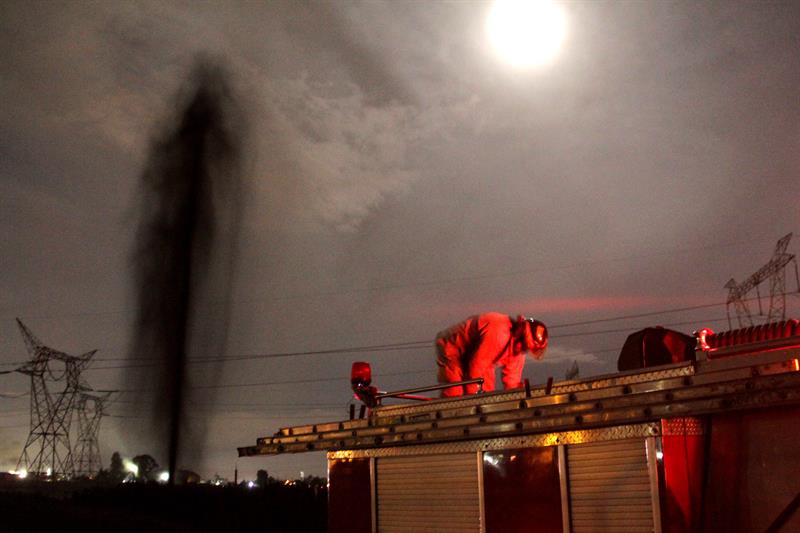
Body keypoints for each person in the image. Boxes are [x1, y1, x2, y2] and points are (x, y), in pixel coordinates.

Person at [435, 312, 548, 397]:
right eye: (525, 345)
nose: (523, 350)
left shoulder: (518, 351)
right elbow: (475, 371)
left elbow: (511, 382)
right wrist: (475, 403)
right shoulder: (498, 333)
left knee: (487, 392)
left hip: (480, 356)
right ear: (519, 334)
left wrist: (519, 398)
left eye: (527, 349)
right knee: (455, 392)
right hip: (453, 346)